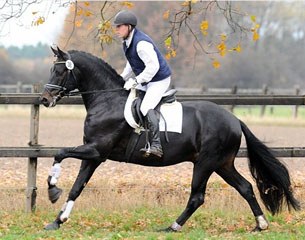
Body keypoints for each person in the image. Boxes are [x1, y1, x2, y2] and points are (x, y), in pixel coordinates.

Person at [114, 10, 172, 158]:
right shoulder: (127, 42)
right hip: (147, 79)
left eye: (119, 26)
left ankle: (156, 145)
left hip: (158, 79)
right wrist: (121, 78)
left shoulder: (141, 44)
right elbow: (131, 62)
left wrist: (136, 80)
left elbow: (153, 67)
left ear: (129, 27)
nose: (116, 29)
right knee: (132, 100)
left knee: (146, 107)